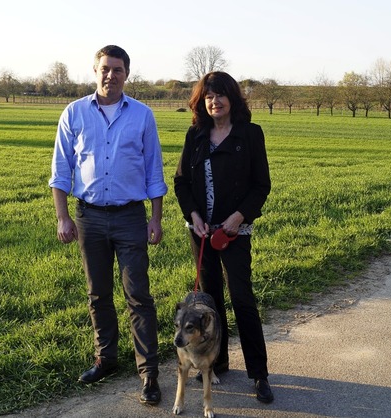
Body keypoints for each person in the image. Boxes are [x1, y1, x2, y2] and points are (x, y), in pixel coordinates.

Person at [49, 45, 167, 406]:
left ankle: (148, 372)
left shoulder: (143, 116)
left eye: (117, 70)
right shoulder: (74, 113)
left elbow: (154, 170)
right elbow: (61, 169)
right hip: (89, 217)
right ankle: (107, 359)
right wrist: (63, 216)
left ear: (127, 74)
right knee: (97, 293)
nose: (110, 75)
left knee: (139, 295)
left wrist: (156, 218)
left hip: (131, 216)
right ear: (95, 71)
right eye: (105, 69)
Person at [173, 71, 274, 403]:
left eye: (220, 95)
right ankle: (219, 362)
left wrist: (238, 216)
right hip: (201, 233)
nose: (214, 102)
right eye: (208, 97)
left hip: (235, 232)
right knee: (210, 301)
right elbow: (181, 183)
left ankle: (259, 374)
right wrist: (195, 216)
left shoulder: (250, 134)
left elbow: (262, 185)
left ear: (232, 98)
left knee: (242, 298)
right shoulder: (195, 136)